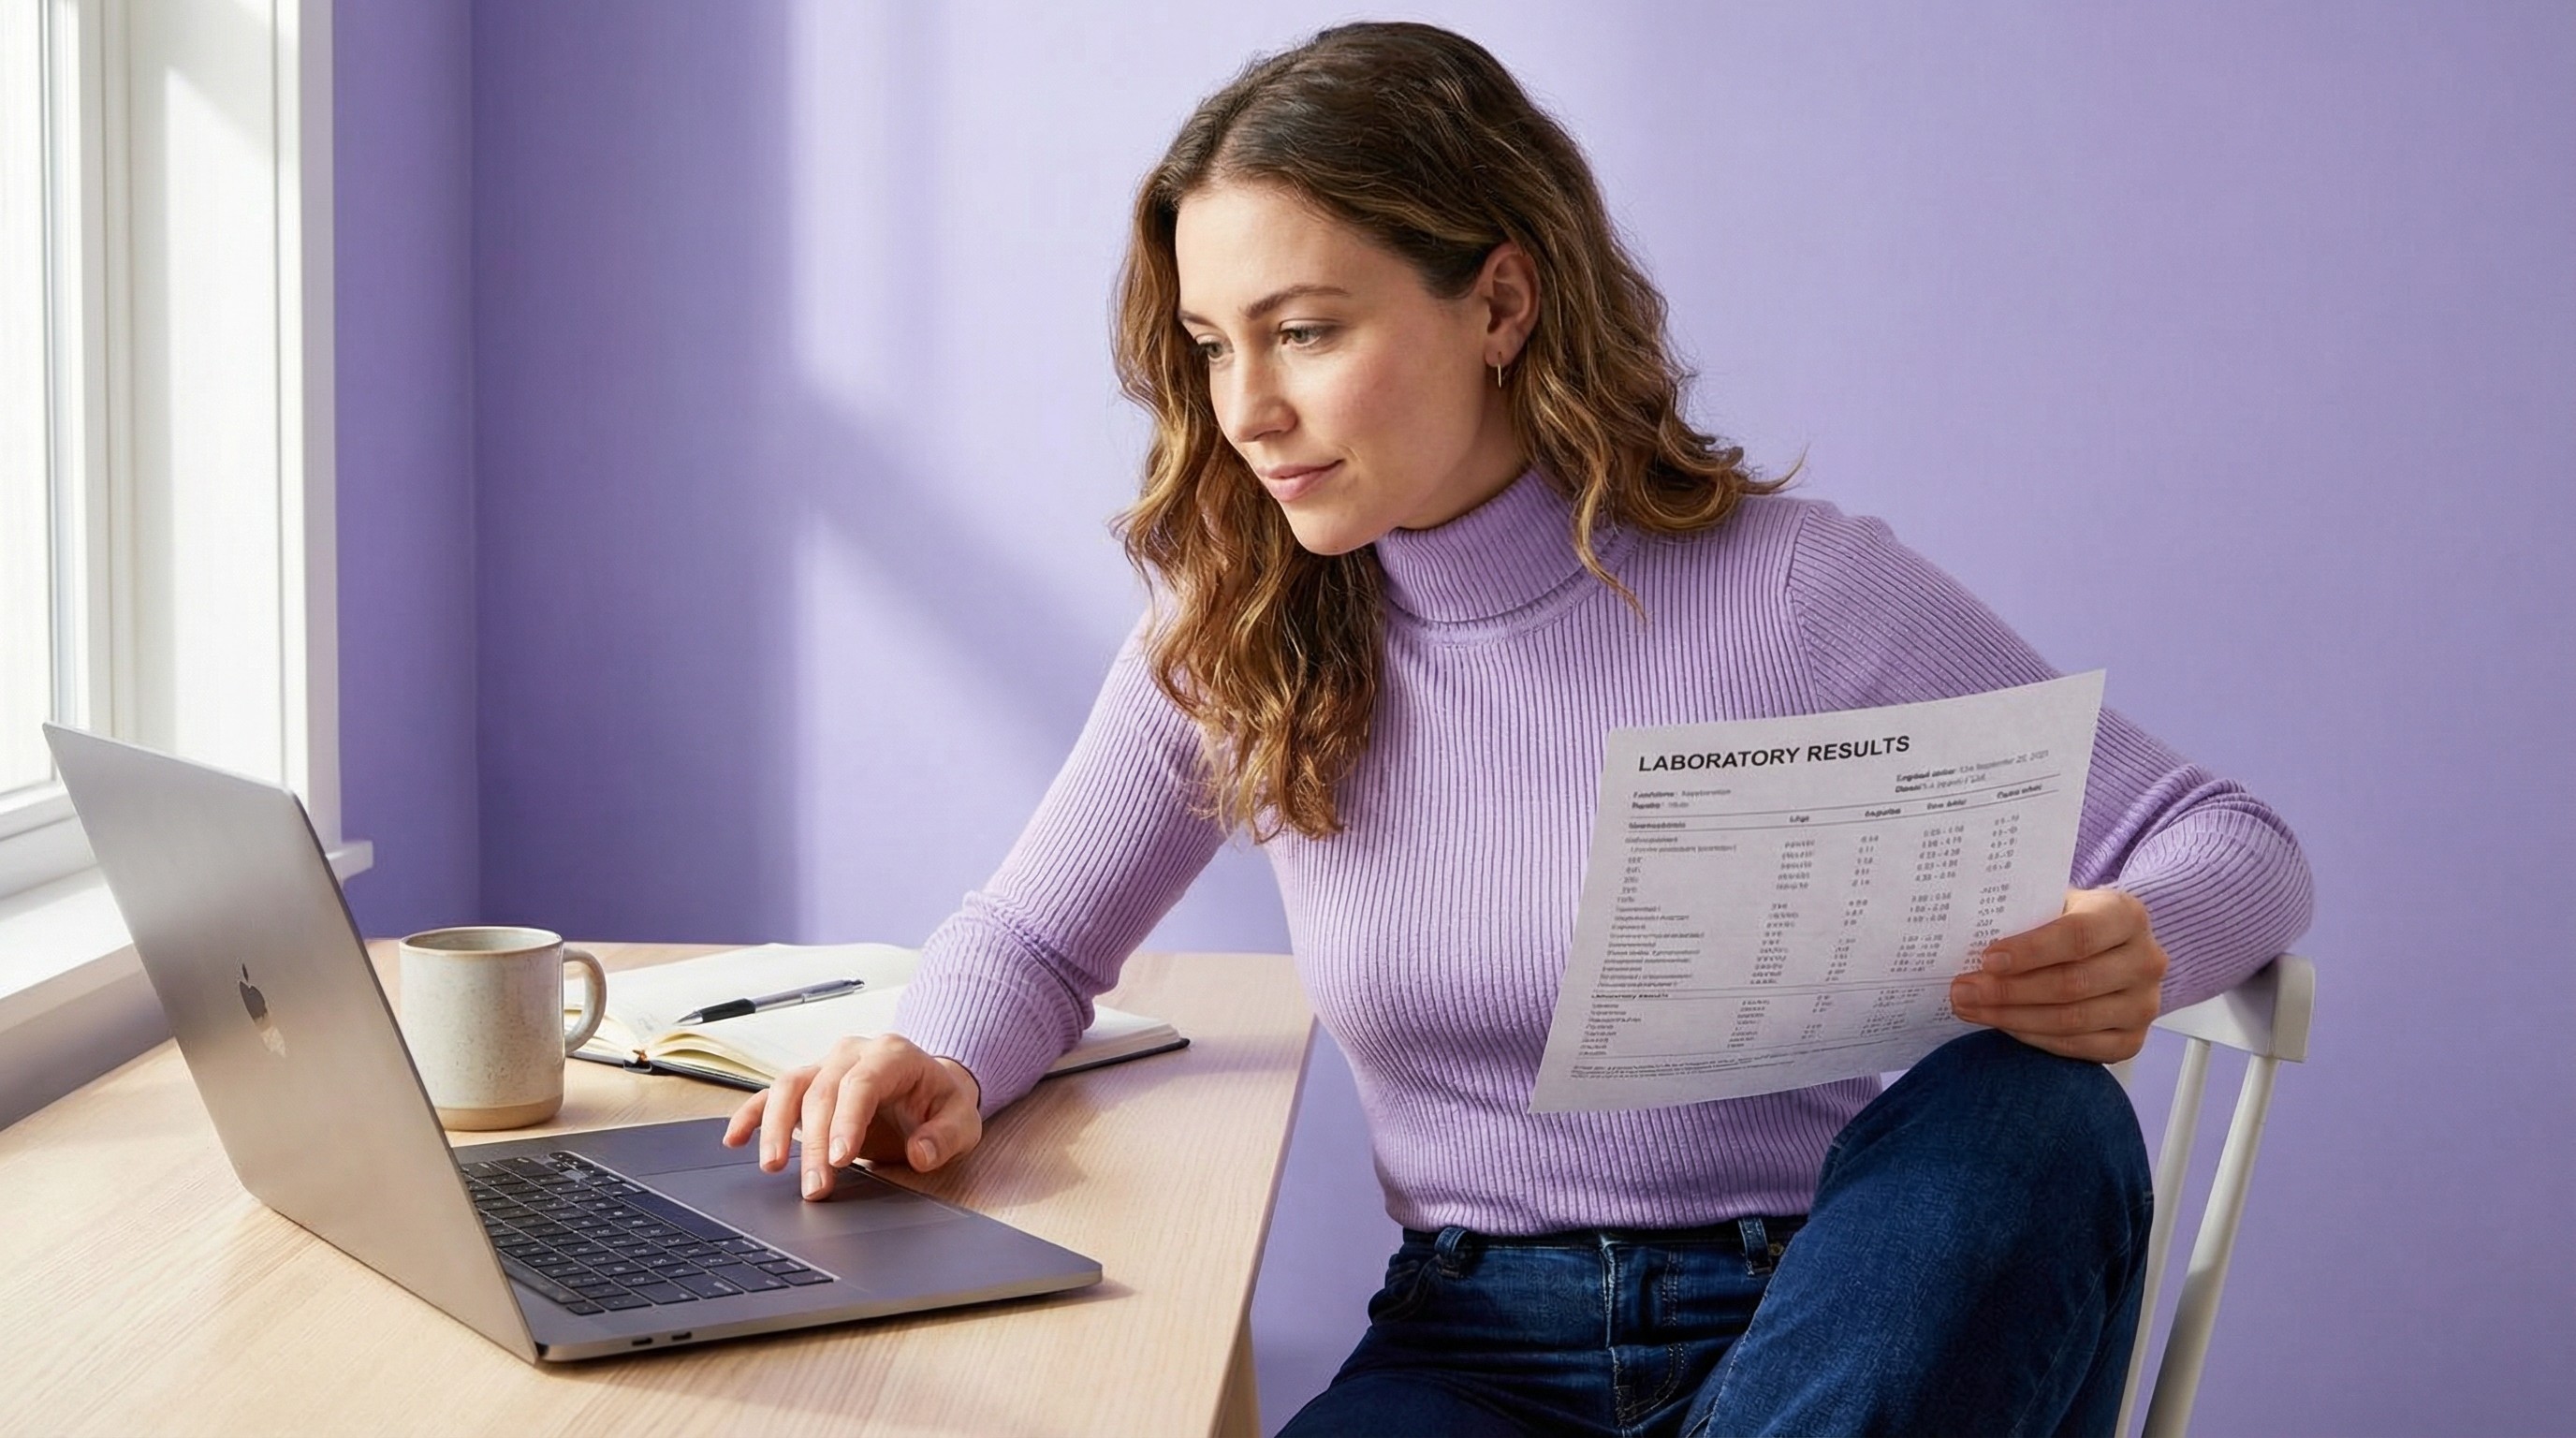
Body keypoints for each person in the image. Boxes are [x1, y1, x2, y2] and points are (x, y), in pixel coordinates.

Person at [722, 21, 2313, 1436]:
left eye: (1306, 331)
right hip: (1472, 1347)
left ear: (1500, 300)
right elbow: (1037, 936)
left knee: (2033, 1113)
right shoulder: (1240, 635)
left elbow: (2230, 840)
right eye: (1213, 346)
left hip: (1839, 1313)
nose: (1246, 409)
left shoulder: (1798, 594)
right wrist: (926, 1049)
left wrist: (2144, 937)